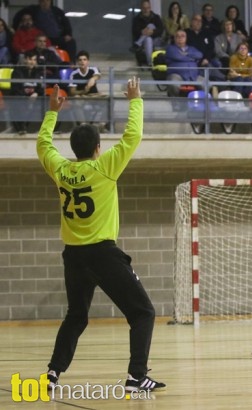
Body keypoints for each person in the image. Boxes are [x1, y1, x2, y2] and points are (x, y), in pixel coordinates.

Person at [36, 78, 166, 393]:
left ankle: (53, 373)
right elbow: (132, 136)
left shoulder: (60, 169)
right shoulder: (105, 166)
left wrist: (52, 112)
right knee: (143, 312)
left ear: (74, 149)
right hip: (102, 254)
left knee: (76, 316)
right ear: (98, 148)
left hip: (73, 256)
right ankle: (137, 376)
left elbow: (43, 144)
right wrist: (135, 100)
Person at [10, 50, 44, 135]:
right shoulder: (17, 71)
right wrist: (26, 97)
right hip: (21, 98)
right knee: (20, 101)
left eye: (34, 60)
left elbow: (41, 88)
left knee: (45, 100)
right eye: (30, 59)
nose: (32, 62)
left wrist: (36, 93)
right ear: (25, 60)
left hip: (34, 99)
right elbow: (15, 88)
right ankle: (21, 128)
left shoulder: (38, 72)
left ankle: (47, 129)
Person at [165, 30, 205, 98]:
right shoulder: (170, 48)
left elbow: (199, 55)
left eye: (182, 36)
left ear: (186, 38)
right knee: (173, 84)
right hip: (177, 75)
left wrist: (186, 54)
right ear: (174, 38)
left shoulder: (191, 48)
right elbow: (178, 57)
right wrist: (192, 59)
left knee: (207, 84)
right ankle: (175, 103)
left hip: (193, 76)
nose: (180, 38)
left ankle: (204, 106)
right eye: (177, 36)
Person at [130, 0, 164, 66]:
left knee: (150, 25)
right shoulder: (137, 19)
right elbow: (134, 31)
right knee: (148, 39)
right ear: (141, 8)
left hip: (156, 39)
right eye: (144, 8)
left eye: (147, 8)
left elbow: (161, 30)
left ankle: (138, 44)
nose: (146, 10)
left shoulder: (156, 17)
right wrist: (141, 31)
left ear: (150, 7)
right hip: (144, 41)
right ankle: (150, 63)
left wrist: (153, 32)